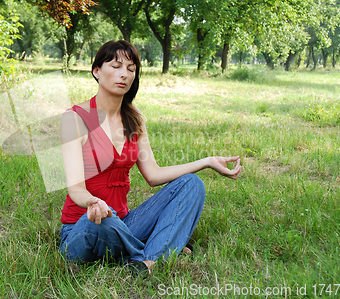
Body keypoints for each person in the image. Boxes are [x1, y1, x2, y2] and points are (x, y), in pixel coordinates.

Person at [59, 40, 242, 277]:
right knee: (101, 222)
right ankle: (160, 251)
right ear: (96, 71)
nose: (124, 74)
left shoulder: (134, 120)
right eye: (116, 66)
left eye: (131, 69)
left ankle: (146, 262)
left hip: (124, 223)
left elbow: (154, 175)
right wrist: (93, 204)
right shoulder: (74, 119)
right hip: (83, 228)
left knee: (192, 184)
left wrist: (206, 161)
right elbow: (75, 188)